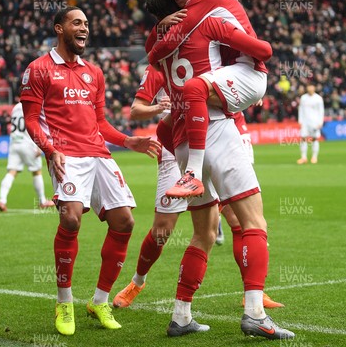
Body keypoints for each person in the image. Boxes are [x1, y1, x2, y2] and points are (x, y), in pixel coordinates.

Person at [148, 0, 294, 340]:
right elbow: (262, 50)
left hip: (183, 139)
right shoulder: (206, 20)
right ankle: (255, 314)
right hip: (215, 130)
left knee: (202, 234)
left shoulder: (160, 49)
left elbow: (152, 51)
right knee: (253, 224)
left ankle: (180, 315)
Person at [20, 6, 160, 336]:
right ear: (60, 28)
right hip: (65, 154)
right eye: (77, 23)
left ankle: (99, 300)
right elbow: (30, 119)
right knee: (70, 217)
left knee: (124, 221)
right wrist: (49, 149)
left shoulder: (94, 72)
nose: (85, 28)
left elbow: (100, 123)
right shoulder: (38, 69)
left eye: (87, 23)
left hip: (98, 154)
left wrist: (129, 141)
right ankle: (64, 302)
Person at [112, 64, 283, 310]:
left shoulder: (216, 52)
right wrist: (160, 107)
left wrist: (248, 91)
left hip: (218, 134)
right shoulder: (161, 61)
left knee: (237, 219)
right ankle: (137, 282)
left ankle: (253, 292)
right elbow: (136, 111)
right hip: (177, 144)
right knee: (163, 230)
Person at [146, 0, 272, 199]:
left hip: (246, 71)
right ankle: (210, 189)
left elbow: (161, 48)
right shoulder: (200, 3)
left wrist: (155, 38)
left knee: (194, 88)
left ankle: (193, 174)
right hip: (230, 74)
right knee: (164, 129)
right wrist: (158, 32)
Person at [0, 102, 54, 212]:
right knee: (37, 172)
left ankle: (2, 200)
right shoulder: (32, 105)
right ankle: (42, 201)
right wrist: (39, 146)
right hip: (28, 144)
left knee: (11, 172)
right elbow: (36, 125)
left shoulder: (15, 108)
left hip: (14, 142)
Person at [297, 83, 325, 164]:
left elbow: (321, 111)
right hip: (305, 122)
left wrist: (320, 122)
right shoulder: (303, 97)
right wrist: (300, 120)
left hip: (314, 122)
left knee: (314, 139)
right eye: (308, 86)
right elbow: (301, 109)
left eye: (311, 86)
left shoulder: (318, 98)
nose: (310, 88)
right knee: (303, 138)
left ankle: (314, 157)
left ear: (314, 87)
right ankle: (303, 157)